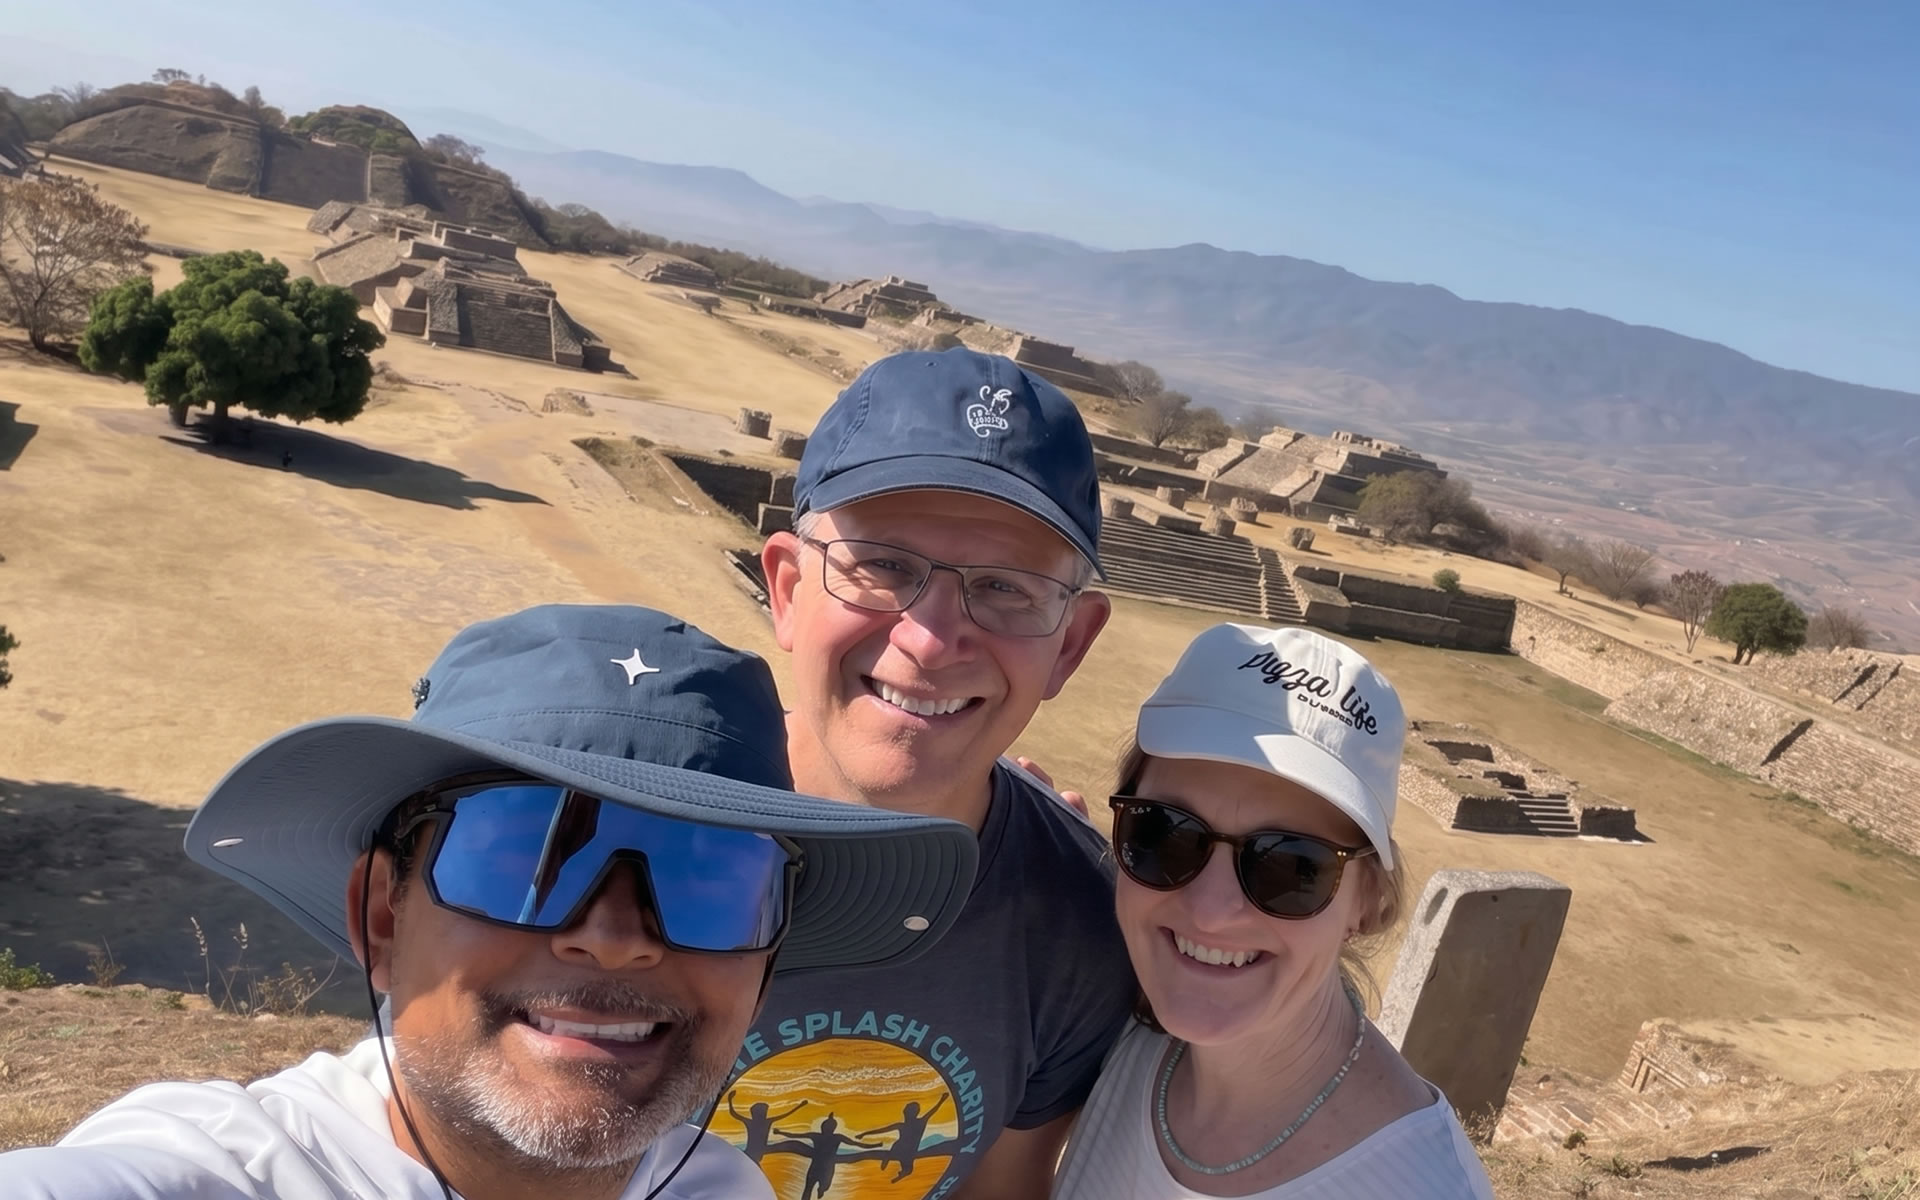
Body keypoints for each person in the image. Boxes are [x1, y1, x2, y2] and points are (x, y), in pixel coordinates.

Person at [6, 604, 978, 1200]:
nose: (612, 937)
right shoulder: (211, 1174)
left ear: (766, 967)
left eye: (711, 878)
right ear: (382, 917)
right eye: (524, 852)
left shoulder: (723, 1186)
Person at [717, 348, 1136, 1199]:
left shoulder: (1079, 923)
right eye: (884, 566)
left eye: (1006, 588)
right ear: (789, 588)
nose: (933, 639)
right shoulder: (635, 825)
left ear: (1072, 645)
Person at [1052, 623, 1495, 1199]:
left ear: (1369, 901)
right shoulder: (1111, 1021)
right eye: (1163, 834)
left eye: (1292, 867)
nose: (1210, 911)